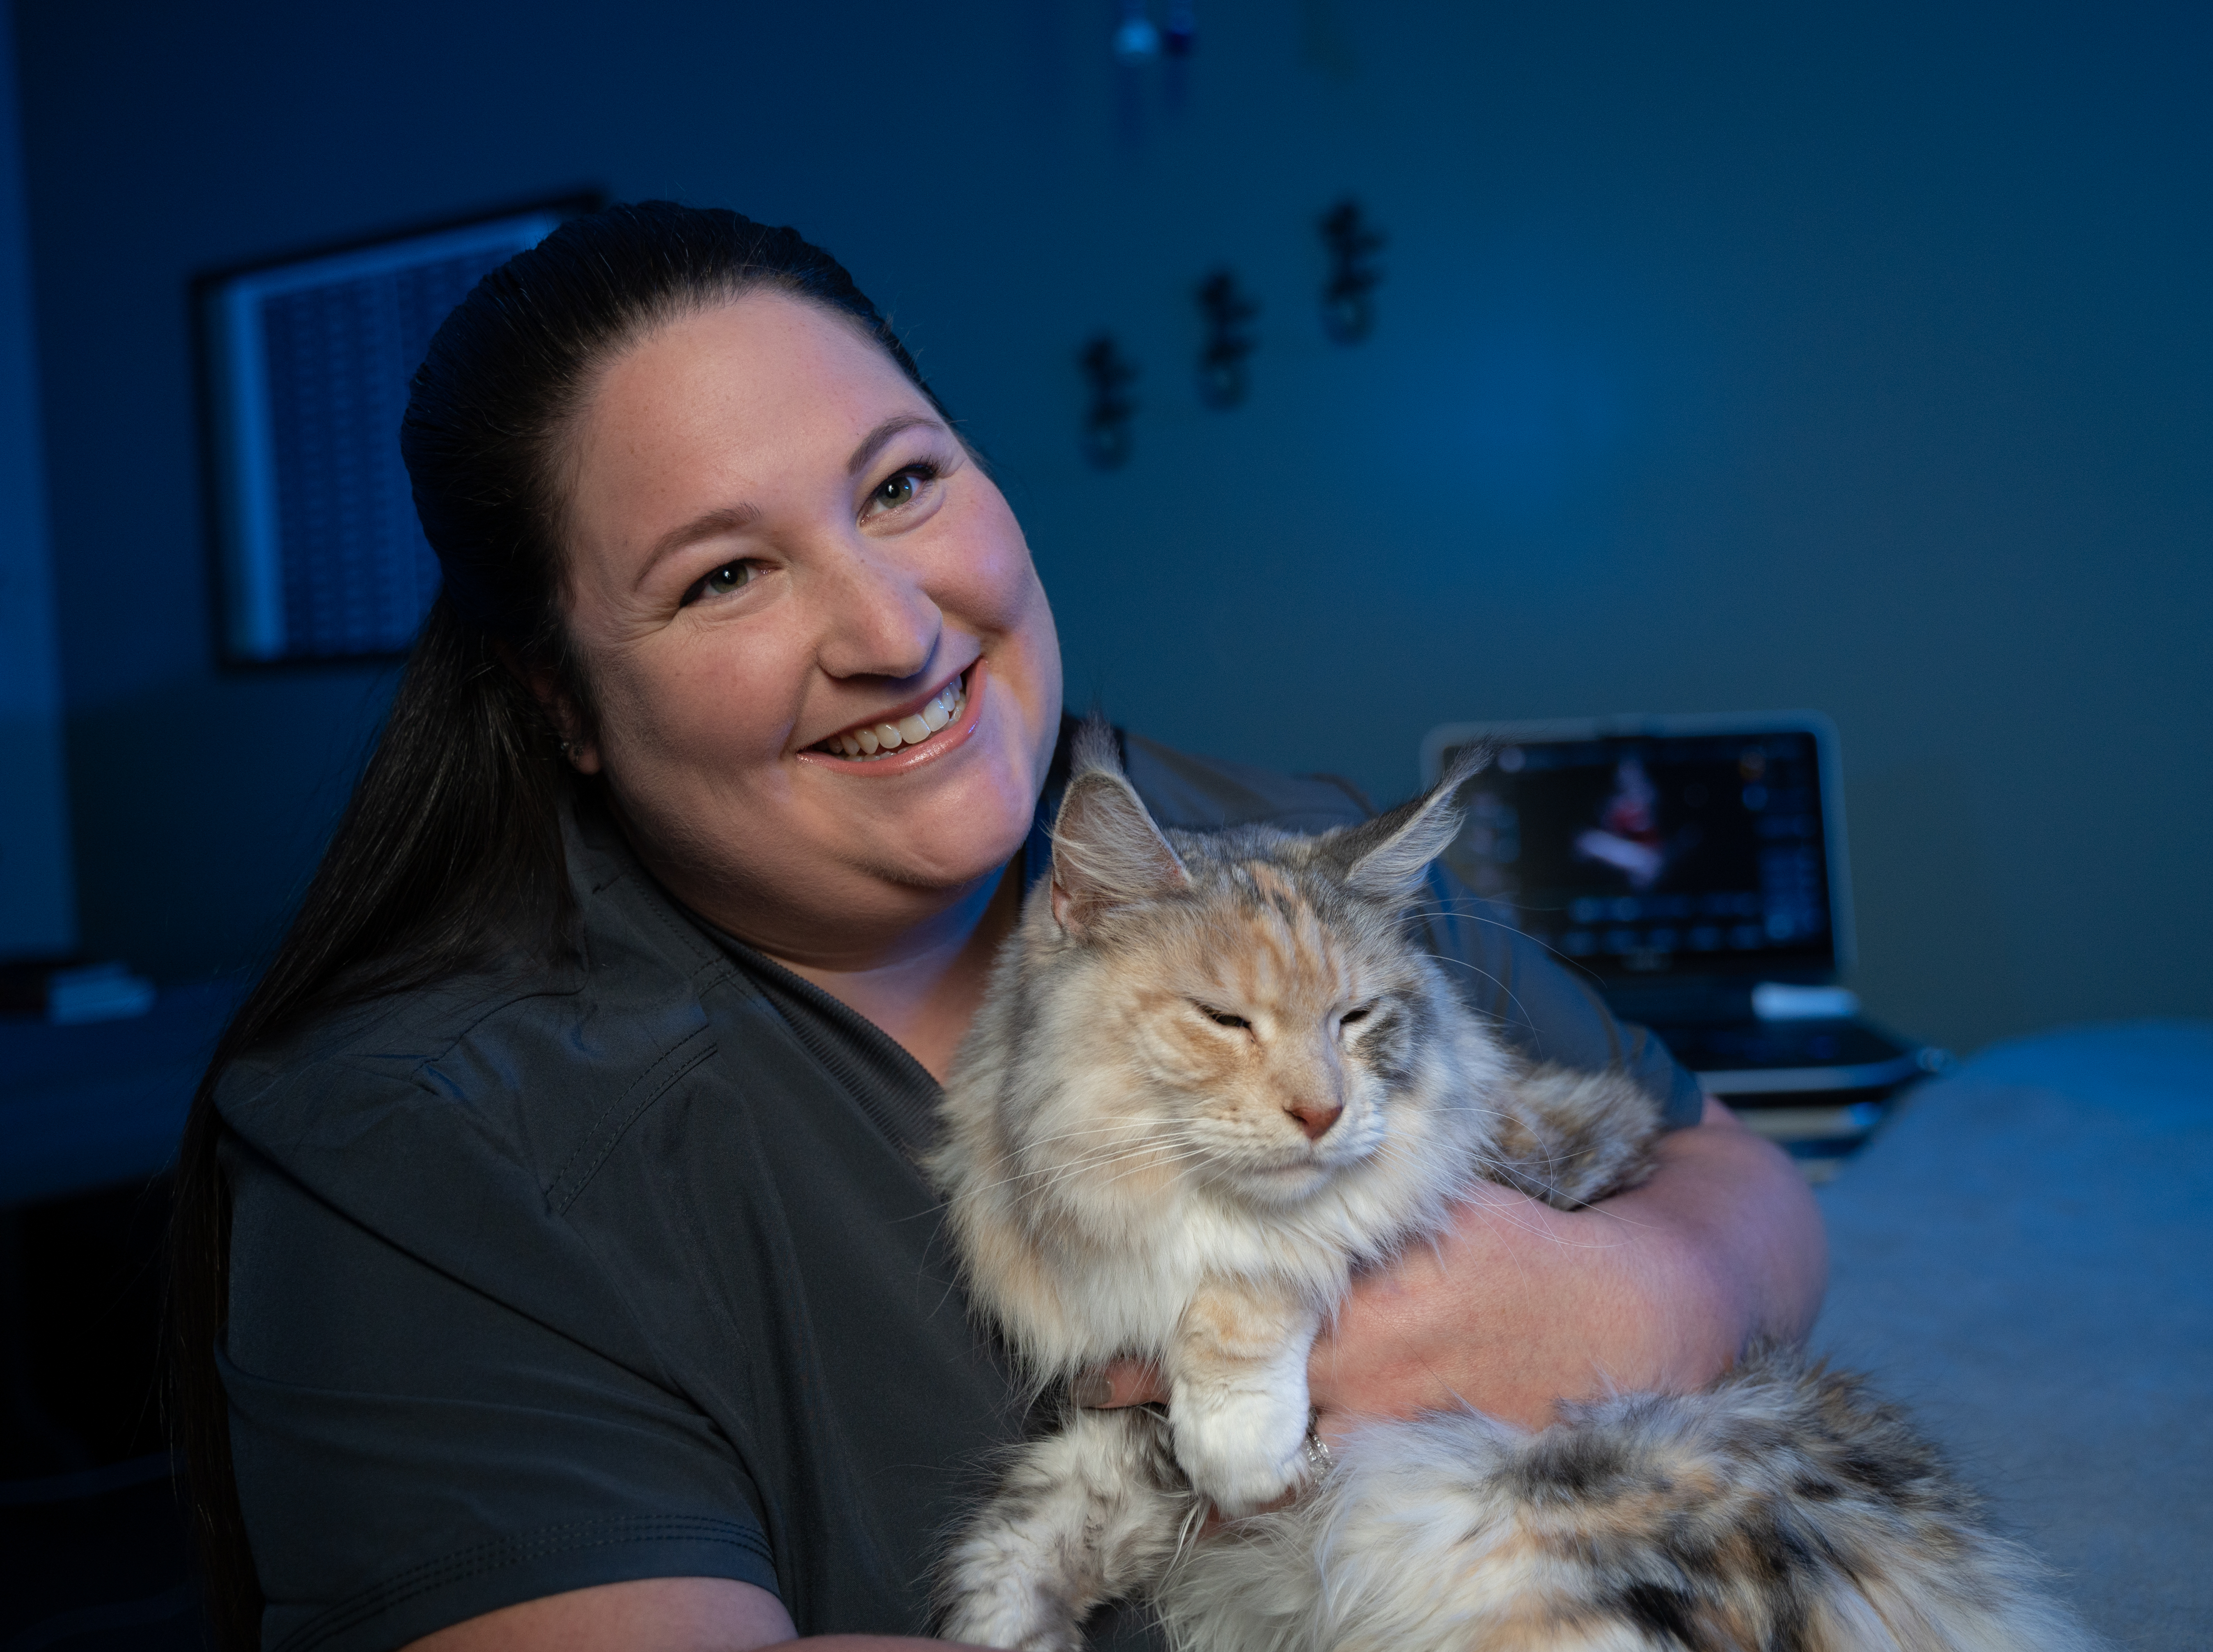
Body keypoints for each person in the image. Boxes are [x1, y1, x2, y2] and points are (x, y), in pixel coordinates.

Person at [167, 202, 1827, 1652]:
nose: (894, 630)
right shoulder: (418, 1144)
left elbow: (1741, 1180)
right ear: (563, 698)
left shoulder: (1279, 856)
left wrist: (1629, 1296)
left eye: (901, 483)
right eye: (724, 578)